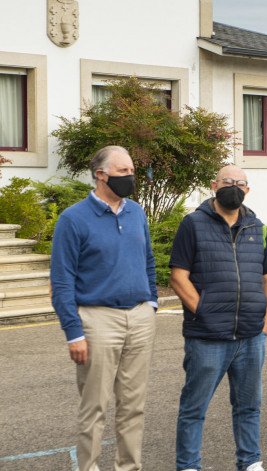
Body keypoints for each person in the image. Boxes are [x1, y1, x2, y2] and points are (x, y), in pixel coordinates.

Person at [50, 145, 158, 471]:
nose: (131, 177)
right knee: (94, 407)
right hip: (97, 321)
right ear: (101, 175)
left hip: (139, 318)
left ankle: (129, 467)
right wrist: (73, 333)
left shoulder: (136, 212)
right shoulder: (73, 219)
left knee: (133, 406)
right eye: (123, 172)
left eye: (131, 171)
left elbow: (149, 263)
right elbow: (62, 282)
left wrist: (151, 303)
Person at [169, 165, 267, 471]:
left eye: (240, 183)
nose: (234, 187)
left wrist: (265, 323)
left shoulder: (258, 227)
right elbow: (178, 277)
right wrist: (203, 313)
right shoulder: (192, 224)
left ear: (248, 189)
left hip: (251, 337)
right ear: (213, 185)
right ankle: (188, 465)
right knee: (194, 407)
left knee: (249, 406)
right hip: (207, 337)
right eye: (227, 182)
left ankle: (251, 462)